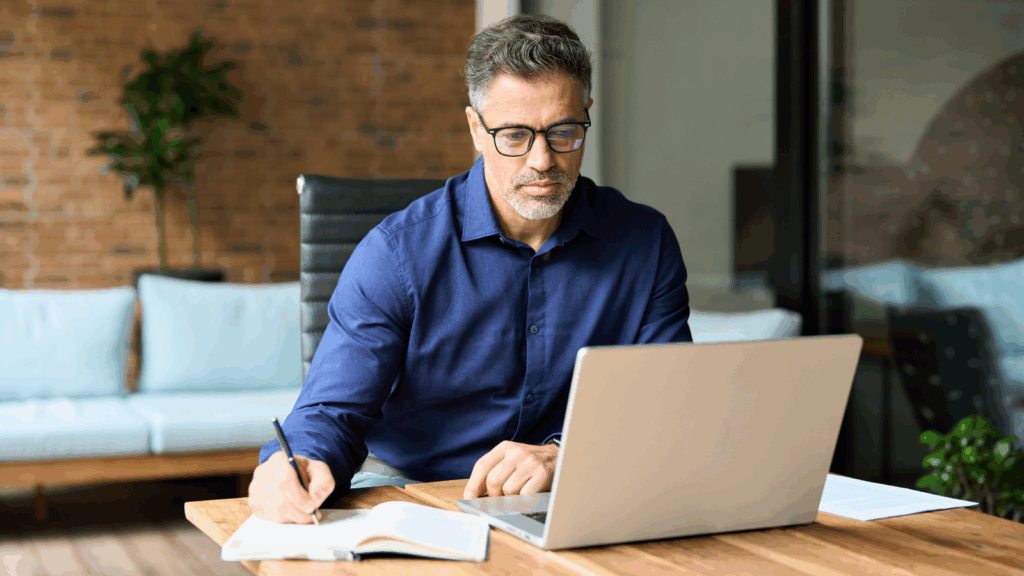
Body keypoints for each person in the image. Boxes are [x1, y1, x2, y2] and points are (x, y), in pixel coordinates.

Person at [249, 14, 692, 524]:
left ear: (586, 116)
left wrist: (565, 453)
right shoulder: (395, 254)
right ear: (476, 129)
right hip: (415, 487)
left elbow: (666, 407)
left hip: (578, 485)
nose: (543, 160)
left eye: (564, 131)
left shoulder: (645, 242)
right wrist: (297, 464)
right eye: (514, 135)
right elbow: (331, 412)